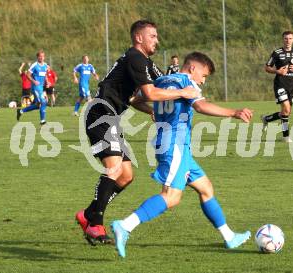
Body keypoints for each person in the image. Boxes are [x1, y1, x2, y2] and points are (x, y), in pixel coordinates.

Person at [111, 52, 254, 258]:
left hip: (175, 146)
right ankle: (125, 225)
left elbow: (135, 99)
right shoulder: (187, 83)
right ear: (193, 68)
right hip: (174, 146)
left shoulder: (161, 80)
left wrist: (152, 110)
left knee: (205, 187)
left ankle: (229, 236)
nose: (203, 81)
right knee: (172, 196)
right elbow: (200, 105)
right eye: (203, 76)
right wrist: (233, 112)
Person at [74, 20, 198, 245]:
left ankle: (88, 214)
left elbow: (138, 97)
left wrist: (153, 109)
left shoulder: (145, 63)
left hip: (111, 118)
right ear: (139, 38)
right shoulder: (135, 57)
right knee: (113, 169)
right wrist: (183, 92)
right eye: (153, 36)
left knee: (126, 175)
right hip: (100, 115)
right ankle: (95, 223)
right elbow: (150, 92)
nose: (157, 40)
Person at [262, 31, 293, 143]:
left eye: (290, 38)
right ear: (282, 40)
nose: (288, 41)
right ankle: (286, 137)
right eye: (286, 38)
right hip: (280, 84)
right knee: (286, 109)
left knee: (286, 112)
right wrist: (277, 71)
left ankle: (267, 118)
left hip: (291, 85)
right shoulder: (277, 53)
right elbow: (267, 67)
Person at [16, 50, 49, 125]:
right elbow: (28, 74)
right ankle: (42, 120)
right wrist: (34, 81)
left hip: (41, 87)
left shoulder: (45, 65)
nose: (41, 58)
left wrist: (47, 82)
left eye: (43, 56)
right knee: (43, 102)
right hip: (36, 87)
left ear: (44, 57)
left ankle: (21, 111)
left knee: (37, 105)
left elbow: (45, 75)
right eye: (40, 56)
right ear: (37, 57)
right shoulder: (35, 65)